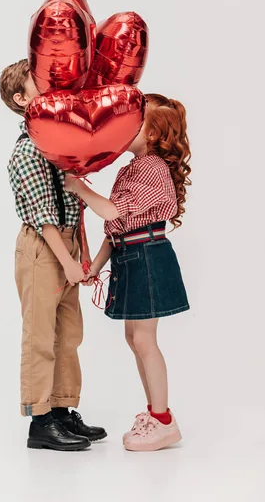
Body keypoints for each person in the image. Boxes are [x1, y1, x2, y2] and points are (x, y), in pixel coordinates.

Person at [65, 94, 191, 452]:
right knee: (134, 339)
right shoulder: (130, 168)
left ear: (152, 134)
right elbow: (116, 228)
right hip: (129, 254)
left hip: (147, 256)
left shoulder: (152, 168)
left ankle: (164, 420)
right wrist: (96, 268)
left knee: (144, 340)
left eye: (134, 122)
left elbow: (109, 211)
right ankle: (156, 414)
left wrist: (79, 186)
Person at [0, 59, 107, 451]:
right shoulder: (27, 152)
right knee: (41, 334)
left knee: (69, 333)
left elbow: (70, 201)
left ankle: (63, 409)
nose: (48, 86)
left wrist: (80, 252)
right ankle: (40, 421)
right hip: (44, 249)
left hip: (67, 243)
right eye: (37, 83)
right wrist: (66, 262)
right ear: (20, 98)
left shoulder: (56, 144)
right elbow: (44, 219)